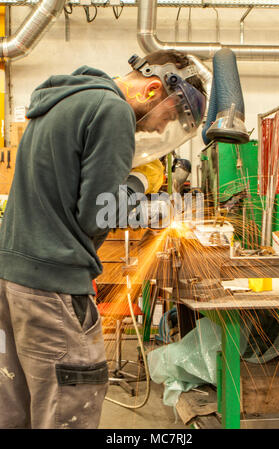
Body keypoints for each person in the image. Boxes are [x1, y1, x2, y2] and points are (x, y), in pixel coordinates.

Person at [0, 50, 206, 429]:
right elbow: (97, 214)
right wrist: (140, 182)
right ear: (154, 89)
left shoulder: (65, 99)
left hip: (12, 280)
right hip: (53, 289)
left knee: (17, 409)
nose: (160, 131)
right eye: (168, 118)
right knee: (69, 406)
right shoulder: (112, 111)